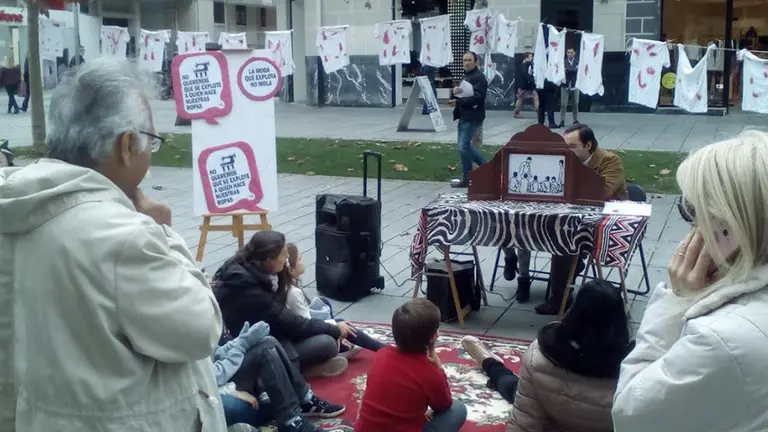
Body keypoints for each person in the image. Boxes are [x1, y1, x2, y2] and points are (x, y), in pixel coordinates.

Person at [0, 57, 227, 431]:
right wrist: (166, 233)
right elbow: (200, 329)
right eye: (151, 140)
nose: (151, 152)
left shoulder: (15, 208)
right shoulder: (125, 236)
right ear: (126, 145)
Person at [613, 131, 768, 432]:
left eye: (696, 213)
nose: (695, 228)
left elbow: (630, 414)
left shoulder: (720, 339)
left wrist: (676, 301)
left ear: (733, 225)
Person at [462, 279, 634, 431]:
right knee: (523, 387)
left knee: (515, 387)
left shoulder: (542, 352)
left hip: (554, 411)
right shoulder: (636, 365)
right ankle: (488, 360)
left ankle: (489, 362)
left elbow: (525, 422)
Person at [504, 124, 628, 314]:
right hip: (569, 216)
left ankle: (560, 297)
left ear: (588, 145)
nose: (565, 150)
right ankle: (514, 261)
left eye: (572, 146)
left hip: (604, 219)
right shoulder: (563, 159)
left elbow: (603, 192)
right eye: (564, 145)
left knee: (564, 241)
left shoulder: (610, 161)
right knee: (515, 222)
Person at [213, 230, 351, 377]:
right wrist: (333, 329)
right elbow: (292, 323)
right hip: (254, 348)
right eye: (284, 256)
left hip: (272, 333)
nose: (287, 259)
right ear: (269, 261)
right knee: (326, 342)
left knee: (327, 318)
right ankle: (304, 371)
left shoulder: (250, 270)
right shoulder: (250, 290)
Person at [356, 298, 467, 432]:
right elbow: (444, 405)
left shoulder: (381, 355)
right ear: (433, 336)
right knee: (458, 409)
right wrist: (438, 367)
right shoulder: (430, 372)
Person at [213, 321, 346, 432]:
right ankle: (291, 421)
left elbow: (215, 354)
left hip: (223, 379)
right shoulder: (249, 293)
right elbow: (292, 323)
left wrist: (238, 342)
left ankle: (304, 400)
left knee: (268, 341)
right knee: (325, 343)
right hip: (213, 393)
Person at [284, 243, 387, 356]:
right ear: (291, 270)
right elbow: (307, 325)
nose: (303, 261)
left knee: (325, 304)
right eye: (300, 259)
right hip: (301, 336)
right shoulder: (293, 293)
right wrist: (334, 326)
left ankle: (341, 343)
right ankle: (382, 349)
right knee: (340, 327)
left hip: (303, 326)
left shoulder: (290, 287)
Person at [448, 51, 487, 188]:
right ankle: (467, 178)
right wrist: (456, 91)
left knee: (463, 147)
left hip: (473, 116)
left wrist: (459, 102)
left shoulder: (479, 77)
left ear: (475, 62)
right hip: (464, 115)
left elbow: (478, 97)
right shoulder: (467, 76)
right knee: (463, 148)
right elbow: (464, 92)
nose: (466, 63)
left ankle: (486, 167)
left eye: (469, 60)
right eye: (464, 60)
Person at [514, 52, 538, 118]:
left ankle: (538, 110)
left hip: (529, 85)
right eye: (531, 56)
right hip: (523, 85)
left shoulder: (529, 64)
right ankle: (516, 112)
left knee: (535, 96)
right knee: (520, 99)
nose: (532, 58)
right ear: (527, 57)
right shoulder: (523, 65)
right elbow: (525, 75)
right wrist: (531, 79)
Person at [559, 47, 579, 127]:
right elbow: (563, 72)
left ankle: (575, 119)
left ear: (574, 53)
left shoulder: (578, 61)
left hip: (575, 85)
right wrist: (572, 70)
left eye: (571, 52)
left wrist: (569, 70)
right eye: (568, 52)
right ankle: (562, 120)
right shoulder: (563, 62)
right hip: (565, 85)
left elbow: (577, 72)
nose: (569, 54)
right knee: (563, 104)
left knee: (575, 103)